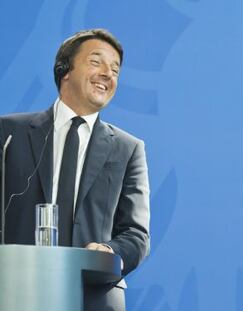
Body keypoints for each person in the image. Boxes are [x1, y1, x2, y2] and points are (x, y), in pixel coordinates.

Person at [0, 29, 150, 310]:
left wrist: (108, 251)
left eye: (115, 69)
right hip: (15, 290)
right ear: (64, 70)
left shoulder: (128, 149)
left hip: (94, 297)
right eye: (97, 62)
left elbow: (136, 234)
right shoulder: (8, 134)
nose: (108, 73)